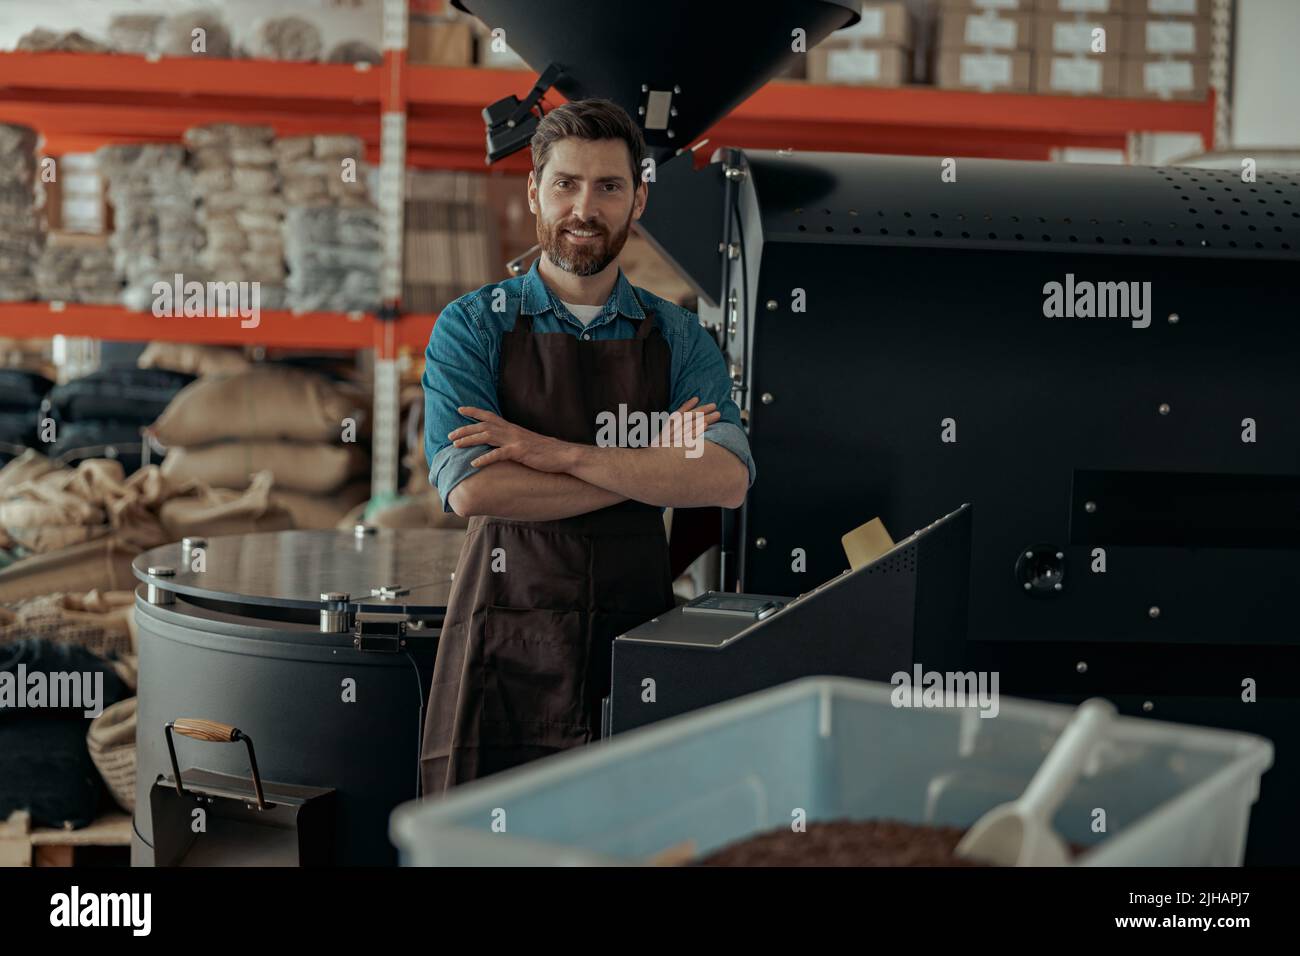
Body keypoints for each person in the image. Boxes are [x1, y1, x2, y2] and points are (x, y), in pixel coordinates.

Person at [419, 98, 755, 795]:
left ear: (638, 202)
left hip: (634, 640)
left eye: (609, 186)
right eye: (566, 183)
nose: (585, 207)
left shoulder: (680, 338)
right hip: (501, 644)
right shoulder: (473, 327)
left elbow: (725, 479)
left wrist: (553, 453)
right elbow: (473, 489)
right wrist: (654, 469)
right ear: (535, 192)